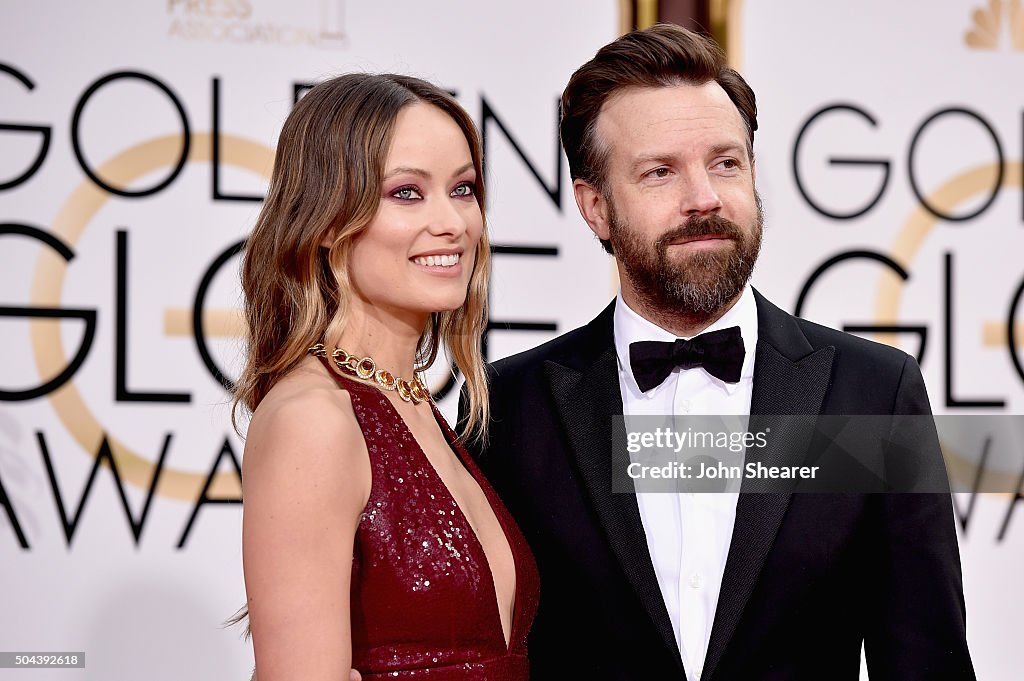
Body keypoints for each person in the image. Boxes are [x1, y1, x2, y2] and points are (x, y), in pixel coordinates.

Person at [464, 24, 975, 680]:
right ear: (595, 207)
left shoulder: (871, 392)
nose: (703, 197)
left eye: (725, 162)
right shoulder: (511, 403)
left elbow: (926, 660)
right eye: (659, 171)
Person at [235, 73, 538, 681]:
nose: (452, 222)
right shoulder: (314, 418)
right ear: (325, 218)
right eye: (406, 192)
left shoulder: (417, 406)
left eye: (463, 188)